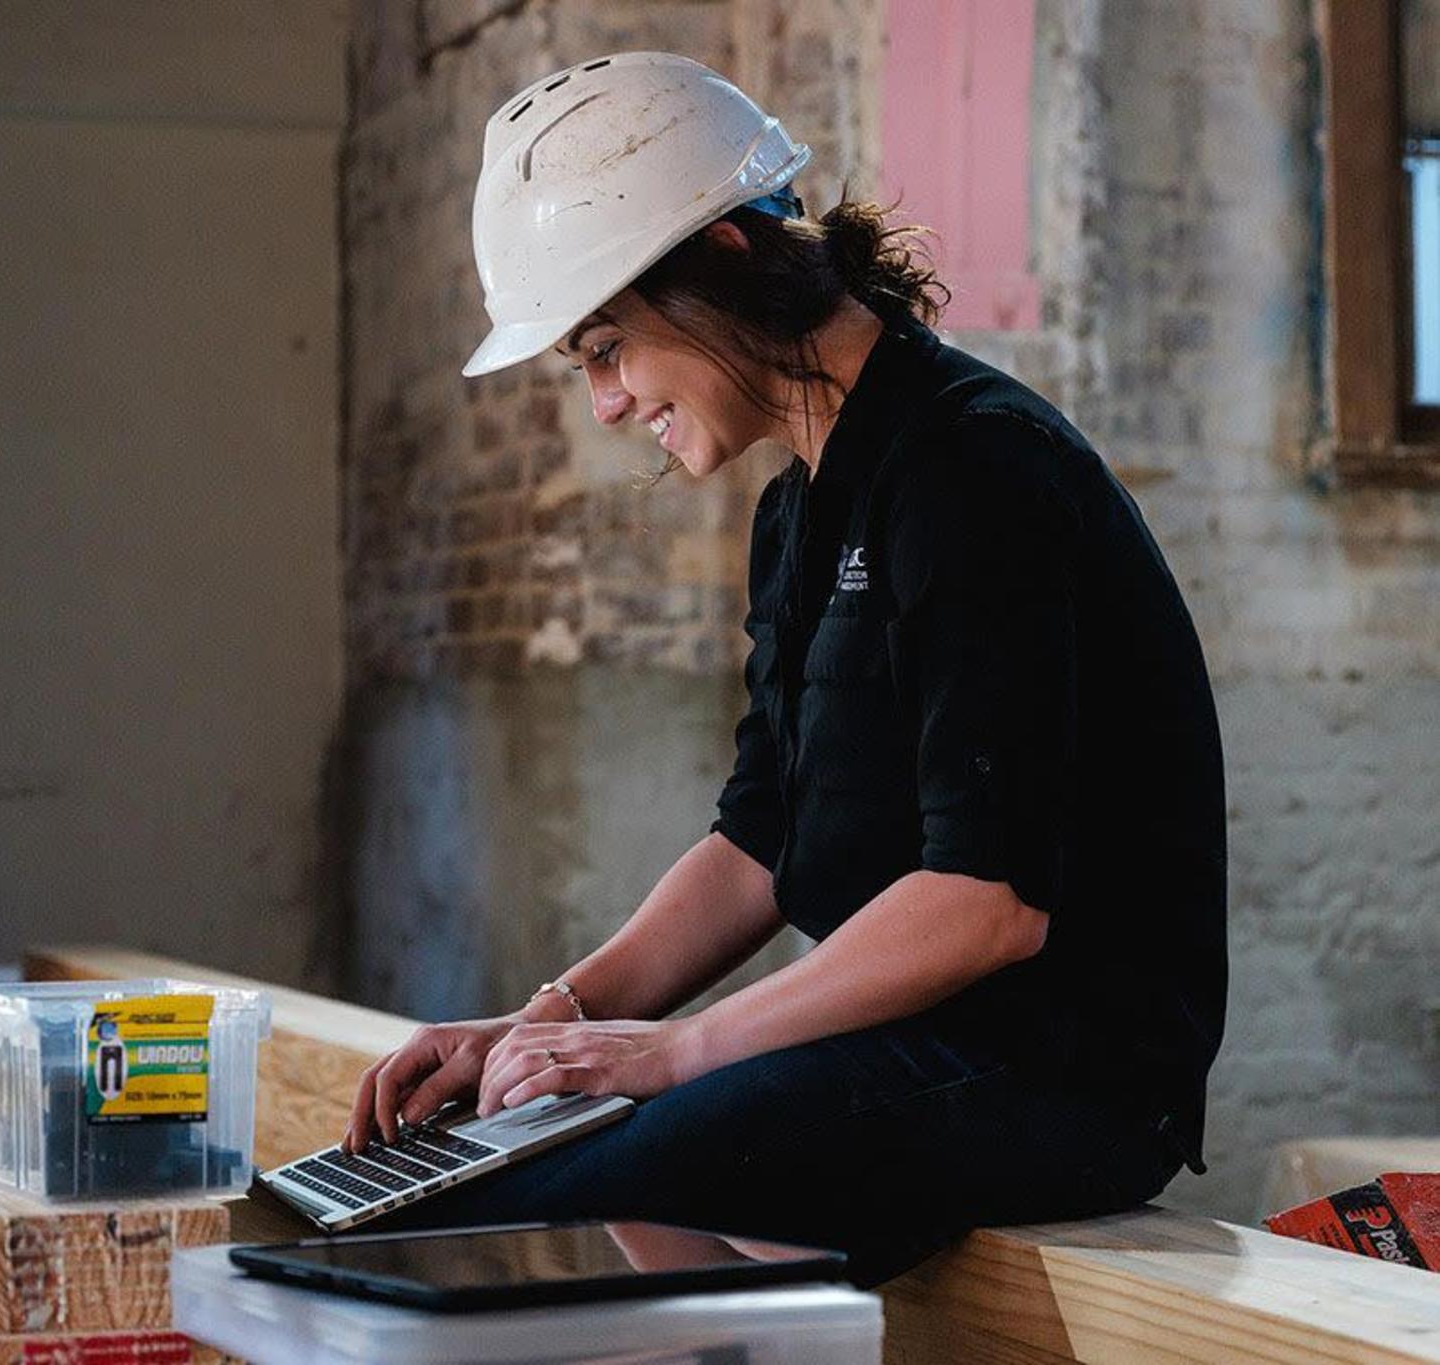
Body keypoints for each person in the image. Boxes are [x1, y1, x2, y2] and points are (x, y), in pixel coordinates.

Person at [343, 51, 1227, 1287]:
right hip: (905, 1047)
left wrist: (679, 1050)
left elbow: (989, 903)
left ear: (724, 261)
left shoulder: (975, 471)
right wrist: (560, 1015)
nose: (601, 403)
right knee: (475, 1165)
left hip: (1056, 1077)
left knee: (575, 1181)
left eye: (607, 349)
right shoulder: (803, 511)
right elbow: (760, 837)